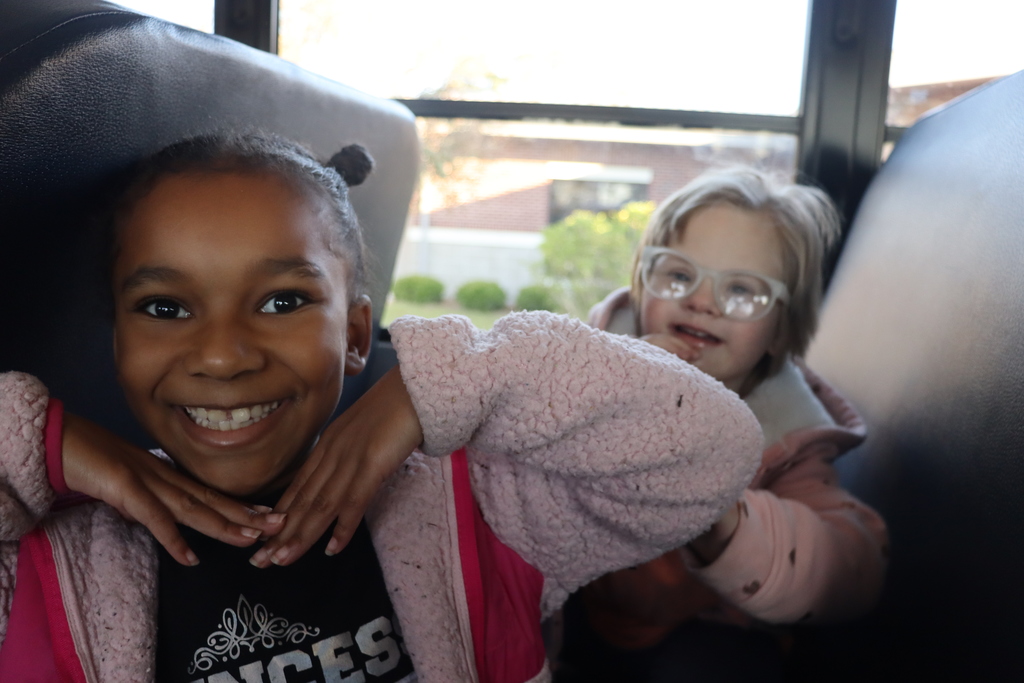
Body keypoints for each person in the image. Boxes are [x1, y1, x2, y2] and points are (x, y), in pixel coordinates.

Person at [0, 133, 765, 683]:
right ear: (117, 340)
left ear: (358, 334)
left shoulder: (478, 506)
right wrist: (47, 445)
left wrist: (432, 386)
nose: (223, 354)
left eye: (282, 300)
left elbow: (712, 447)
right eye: (166, 308)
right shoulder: (53, 561)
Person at [556, 168, 889, 682]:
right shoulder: (583, 362)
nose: (704, 301)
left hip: (699, 626)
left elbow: (853, 566)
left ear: (780, 332)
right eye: (678, 275)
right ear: (644, 288)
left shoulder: (789, 439)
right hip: (569, 603)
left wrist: (721, 513)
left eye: (742, 290)